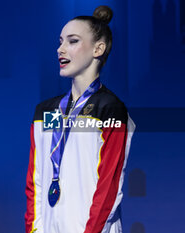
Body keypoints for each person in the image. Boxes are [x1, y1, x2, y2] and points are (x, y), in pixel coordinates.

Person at [25, 5, 135, 233]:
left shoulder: (110, 109)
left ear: (98, 48)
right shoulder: (47, 111)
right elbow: (35, 181)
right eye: (60, 41)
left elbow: (109, 187)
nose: (60, 49)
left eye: (72, 41)